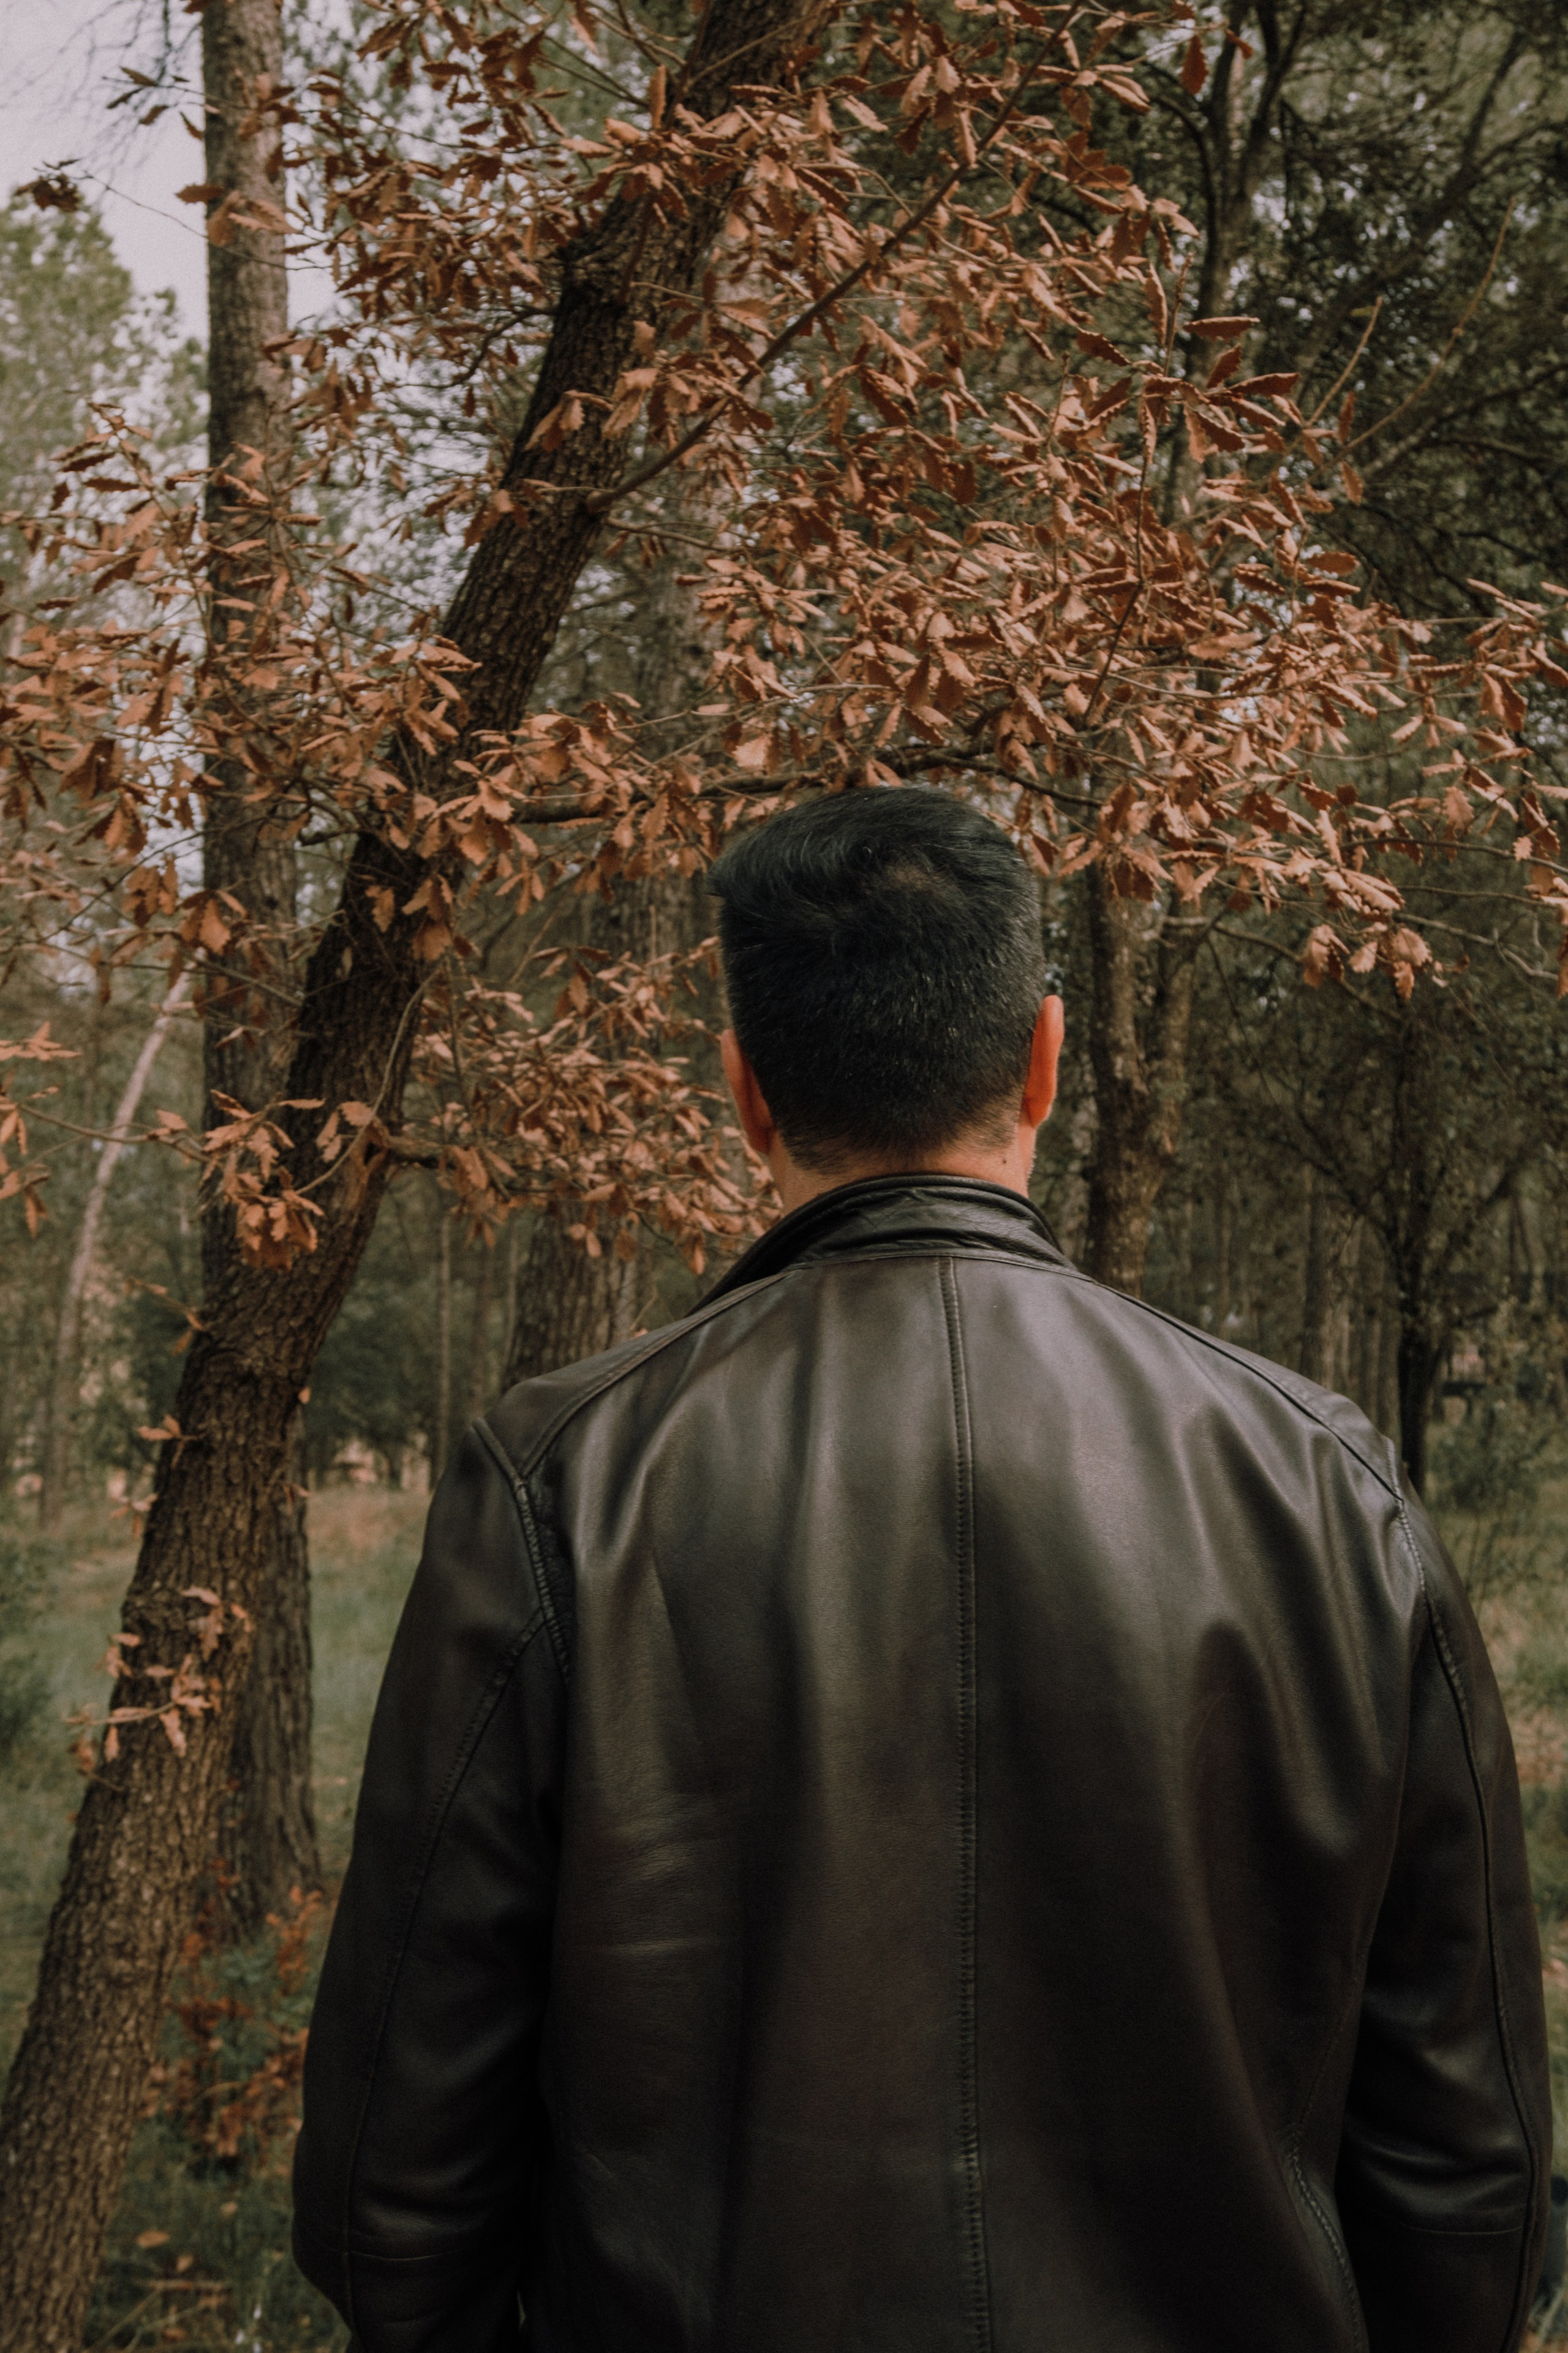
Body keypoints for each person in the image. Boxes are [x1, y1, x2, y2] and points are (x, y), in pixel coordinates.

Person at [293, 788, 1550, 2353]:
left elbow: (392, 2181)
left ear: (745, 1089)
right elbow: (1468, 2171)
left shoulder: (561, 1480)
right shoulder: (1322, 1478)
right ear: (1042, 1057)